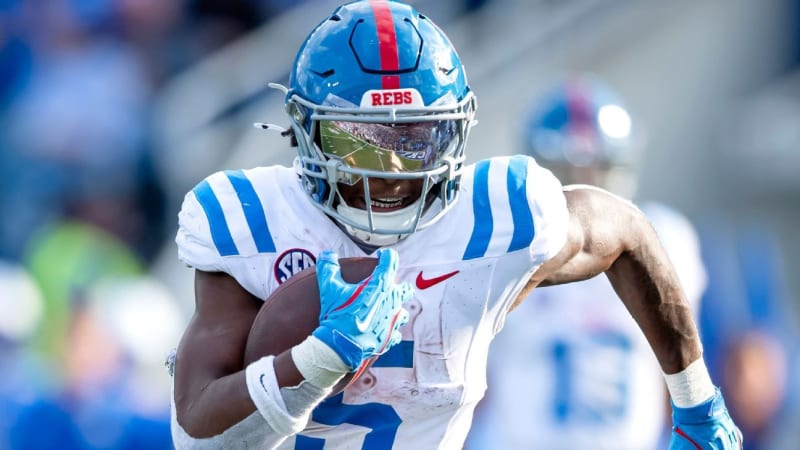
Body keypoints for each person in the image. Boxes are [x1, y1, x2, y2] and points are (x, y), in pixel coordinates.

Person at [168, 1, 742, 449]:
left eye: (416, 140)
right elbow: (197, 435)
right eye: (360, 142)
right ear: (307, 132)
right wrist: (319, 360)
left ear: (456, 133)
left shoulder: (495, 216)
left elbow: (624, 229)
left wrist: (696, 400)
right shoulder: (252, 219)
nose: (390, 173)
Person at [465, 75, 709, 449]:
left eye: (599, 172)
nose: (585, 191)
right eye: (566, 173)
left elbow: (679, 366)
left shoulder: (666, 237)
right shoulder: (500, 245)